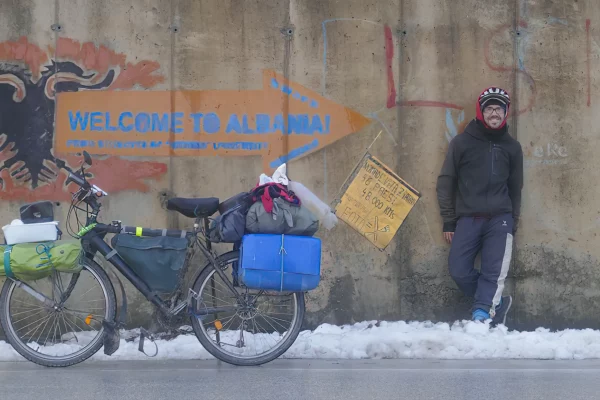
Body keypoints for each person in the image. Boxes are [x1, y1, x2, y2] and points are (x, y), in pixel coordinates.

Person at [436, 87, 523, 326]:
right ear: (481, 111)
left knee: (493, 272)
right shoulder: (462, 143)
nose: (494, 113)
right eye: (489, 108)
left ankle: (482, 315)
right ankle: (496, 302)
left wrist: (512, 221)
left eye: (499, 109)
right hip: (468, 218)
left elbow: (516, 188)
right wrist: (449, 220)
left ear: (505, 113)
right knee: (459, 270)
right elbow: (446, 183)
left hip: (500, 219)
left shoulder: (512, 148)